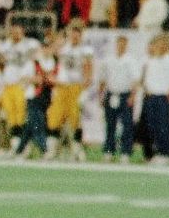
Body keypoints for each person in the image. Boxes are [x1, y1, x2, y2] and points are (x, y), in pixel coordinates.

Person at [48, 25, 93, 160]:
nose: (74, 37)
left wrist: (85, 88)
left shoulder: (85, 50)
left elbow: (89, 69)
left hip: (76, 87)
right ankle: (53, 149)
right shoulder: (63, 48)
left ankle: (77, 150)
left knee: (75, 119)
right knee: (55, 118)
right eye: (72, 34)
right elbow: (51, 58)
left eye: (77, 34)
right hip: (62, 87)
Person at [97, 34, 141, 162]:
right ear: (116, 45)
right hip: (111, 94)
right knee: (110, 124)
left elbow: (135, 80)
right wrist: (101, 95)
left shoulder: (130, 60)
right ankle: (109, 151)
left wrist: (132, 96)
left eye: (123, 44)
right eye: (119, 44)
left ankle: (125, 152)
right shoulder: (109, 59)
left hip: (125, 94)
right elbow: (103, 79)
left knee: (127, 125)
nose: (121, 46)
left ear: (126, 45)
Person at [140, 34, 169, 164]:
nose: (159, 47)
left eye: (161, 44)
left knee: (163, 125)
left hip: (163, 97)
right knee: (152, 126)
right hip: (150, 97)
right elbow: (146, 79)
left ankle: (166, 153)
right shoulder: (151, 61)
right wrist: (146, 89)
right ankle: (157, 152)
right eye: (157, 44)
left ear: (166, 46)